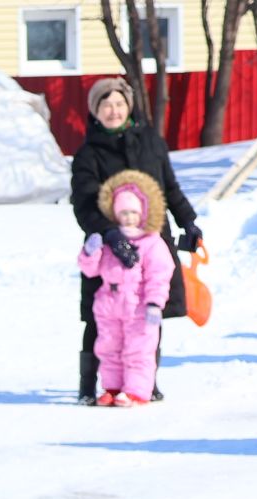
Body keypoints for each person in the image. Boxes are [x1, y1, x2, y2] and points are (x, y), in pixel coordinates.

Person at [70, 77, 200, 405]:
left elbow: (169, 186)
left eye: (118, 103)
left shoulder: (151, 142)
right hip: (107, 247)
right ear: (95, 111)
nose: (113, 111)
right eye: (105, 105)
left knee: (150, 312)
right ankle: (89, 386)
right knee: (100, 315)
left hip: (152, 241)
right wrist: (108, 233)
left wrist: (189, 221)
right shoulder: (88, 153)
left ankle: (145, 383)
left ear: (129, 106)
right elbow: (83, 201)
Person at [77, 170, 174, 407]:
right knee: (109, 348)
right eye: (123, 213)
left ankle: (137, 390)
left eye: (133, 212)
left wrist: (154, 303)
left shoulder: (151, 242)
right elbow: (91, 270)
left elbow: (159, 275)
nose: (129, 218)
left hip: (138, 306)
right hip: (109, 304)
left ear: (141, 213)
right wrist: (90, 251)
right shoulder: (112, 241)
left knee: (138, 349)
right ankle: (113, 387)